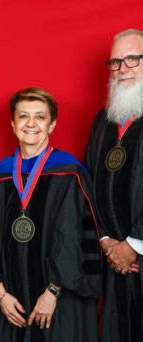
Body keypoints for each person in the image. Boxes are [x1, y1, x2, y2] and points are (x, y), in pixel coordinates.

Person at [0, 87, 102, 341]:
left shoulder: (70, 174)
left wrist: (52, 292)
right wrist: (0, 294)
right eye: (23, 116)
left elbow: (74, 239)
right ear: (12, 123)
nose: (31, 123)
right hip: (13, 302)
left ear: (52, 125)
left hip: (62, 303)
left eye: (40, 117)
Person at [85, 28, 143, 342]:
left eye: (132, 59)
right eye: (116, 62)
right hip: (113, 262)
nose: (123, 69)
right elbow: (90, 184)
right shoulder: (103, 120)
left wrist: (134, 245)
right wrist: (106, 240)